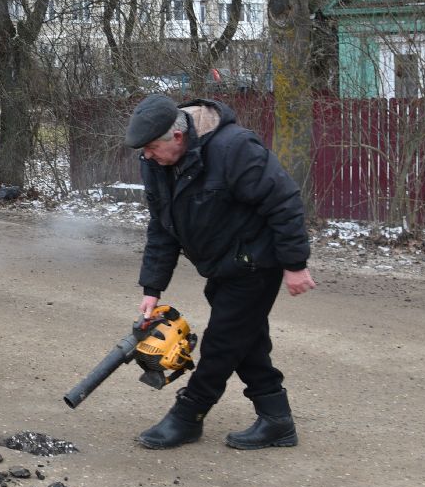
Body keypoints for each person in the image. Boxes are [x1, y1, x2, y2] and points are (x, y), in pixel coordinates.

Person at [125, 94, 316, 450]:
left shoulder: (234, 148)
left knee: (222, 343)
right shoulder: (157, 163)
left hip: (257, 260)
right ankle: (276, 419)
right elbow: (162, 227)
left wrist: (295, 264)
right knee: (246, 340)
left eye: (151, 148)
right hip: (221, 263)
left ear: (177, 137)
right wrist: (152, 287)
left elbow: (284, 201)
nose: (147, 156)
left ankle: (189, 415)